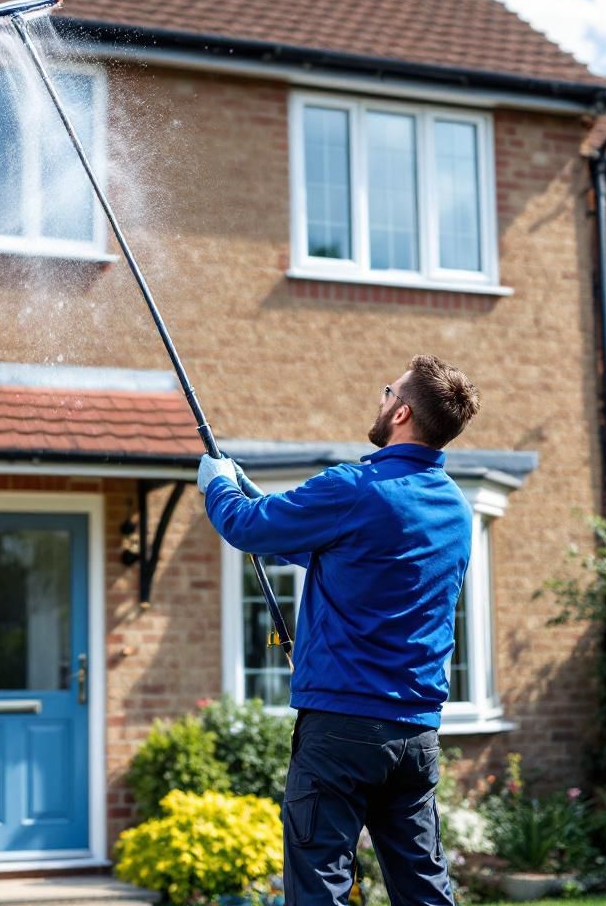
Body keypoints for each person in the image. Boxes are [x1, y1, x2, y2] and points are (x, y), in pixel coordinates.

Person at [197, 355, 481, 906]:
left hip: (341, 733)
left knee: (318, 887)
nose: (379, 398)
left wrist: (217, 487)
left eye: (386, 392)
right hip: (414, 737)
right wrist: (251, 491)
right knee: (423, 889)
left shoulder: (353, 487)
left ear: (401, 413)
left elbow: (245, 528)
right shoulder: (454, 508)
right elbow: (335, 553)